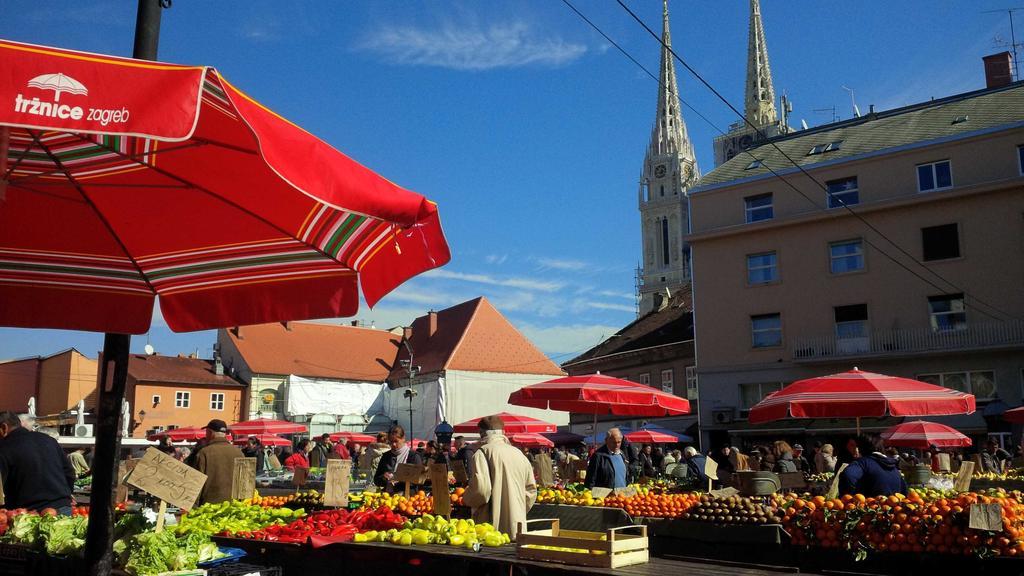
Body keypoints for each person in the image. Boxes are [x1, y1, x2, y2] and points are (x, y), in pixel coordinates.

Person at [463, 415, 537, 540]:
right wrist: (517, 509)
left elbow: (481, 491)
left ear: (482, 433)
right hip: (518, 527)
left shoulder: (483, 453)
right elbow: (531, 491)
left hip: (492, 529)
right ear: (503, 433)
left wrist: (467, 498)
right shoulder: (519, 454)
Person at [0, 411, 75, 514]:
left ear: (4, 428)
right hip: (61, 507)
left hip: (27, 514)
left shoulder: (4, 448)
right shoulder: (49, 440)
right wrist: (65, 496)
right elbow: (69, 472)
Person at [193, 419, 245, 506]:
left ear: (210, 432)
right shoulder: (239, 453)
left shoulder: (204, 452)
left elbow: (196, 483)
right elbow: (245, 483)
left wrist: (194, 506)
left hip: (208, 508)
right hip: (234, 507)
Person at [839, 434, 907, 497]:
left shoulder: (862, 463)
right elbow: (904, 492)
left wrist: (851, 497)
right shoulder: (894, 469)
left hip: (870, 507)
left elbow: (848, 475)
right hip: (894, 507)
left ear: (861, 448)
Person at [374, 424, 424, 493]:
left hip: (407, 499)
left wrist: (399, 479)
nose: (393, 444)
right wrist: (384, 478)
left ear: (403, 438)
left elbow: (418, 480)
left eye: (396, 441)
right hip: (387, 499)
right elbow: (376, 480)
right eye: (391, 442)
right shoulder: (386, 456)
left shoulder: (414, 456)